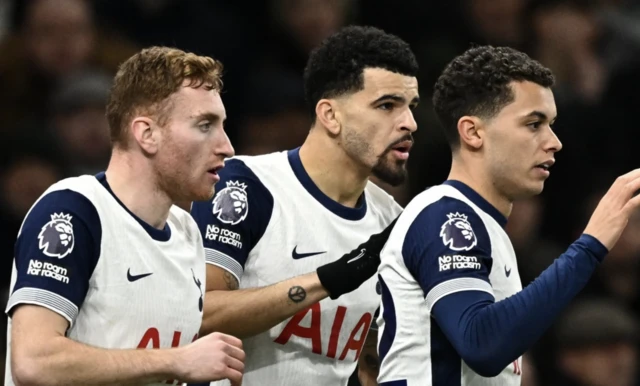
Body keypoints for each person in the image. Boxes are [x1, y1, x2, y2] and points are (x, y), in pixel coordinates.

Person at [375, 45, 640, 386]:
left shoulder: (485, 225)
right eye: (534, 124)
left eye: (551, 124)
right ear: (472, 132)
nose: (554, 141)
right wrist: (589, 247)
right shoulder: (446, 215)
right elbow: (482, 344)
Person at [189, 25, 419, 386]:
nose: (409, 123)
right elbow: (199, 313)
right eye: (387, 105)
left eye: (411, 107)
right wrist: (328, 279)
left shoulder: (396, 222)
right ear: (330, 115)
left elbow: (375, 359)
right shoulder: (246, 186)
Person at [4, 46, 245, 386]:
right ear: (147, 134)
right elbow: (34, 362)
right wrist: (176, 361)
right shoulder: (74, 211)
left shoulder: (186, 230)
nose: (226, 146)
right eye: (205, 125)